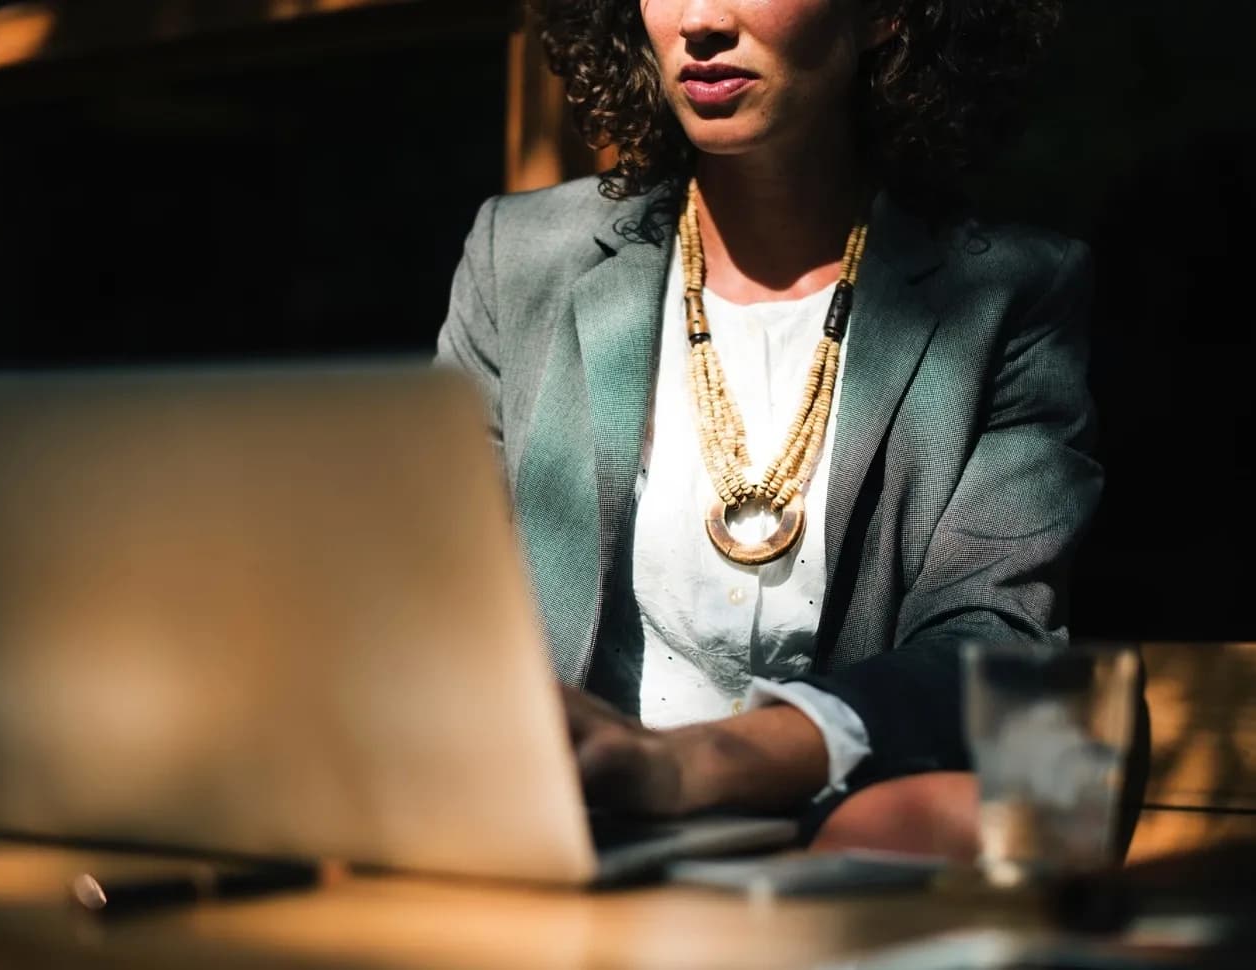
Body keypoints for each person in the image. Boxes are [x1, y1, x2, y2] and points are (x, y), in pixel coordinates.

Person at [437, 0, 1116, 858]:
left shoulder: (1011, 294)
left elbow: (994, 644)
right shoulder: (522, 257)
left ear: (883, 16)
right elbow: (435, 589)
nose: (701, 19)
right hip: (564, 838)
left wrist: (691, 766)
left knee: (1026, 797)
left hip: (849, 841)